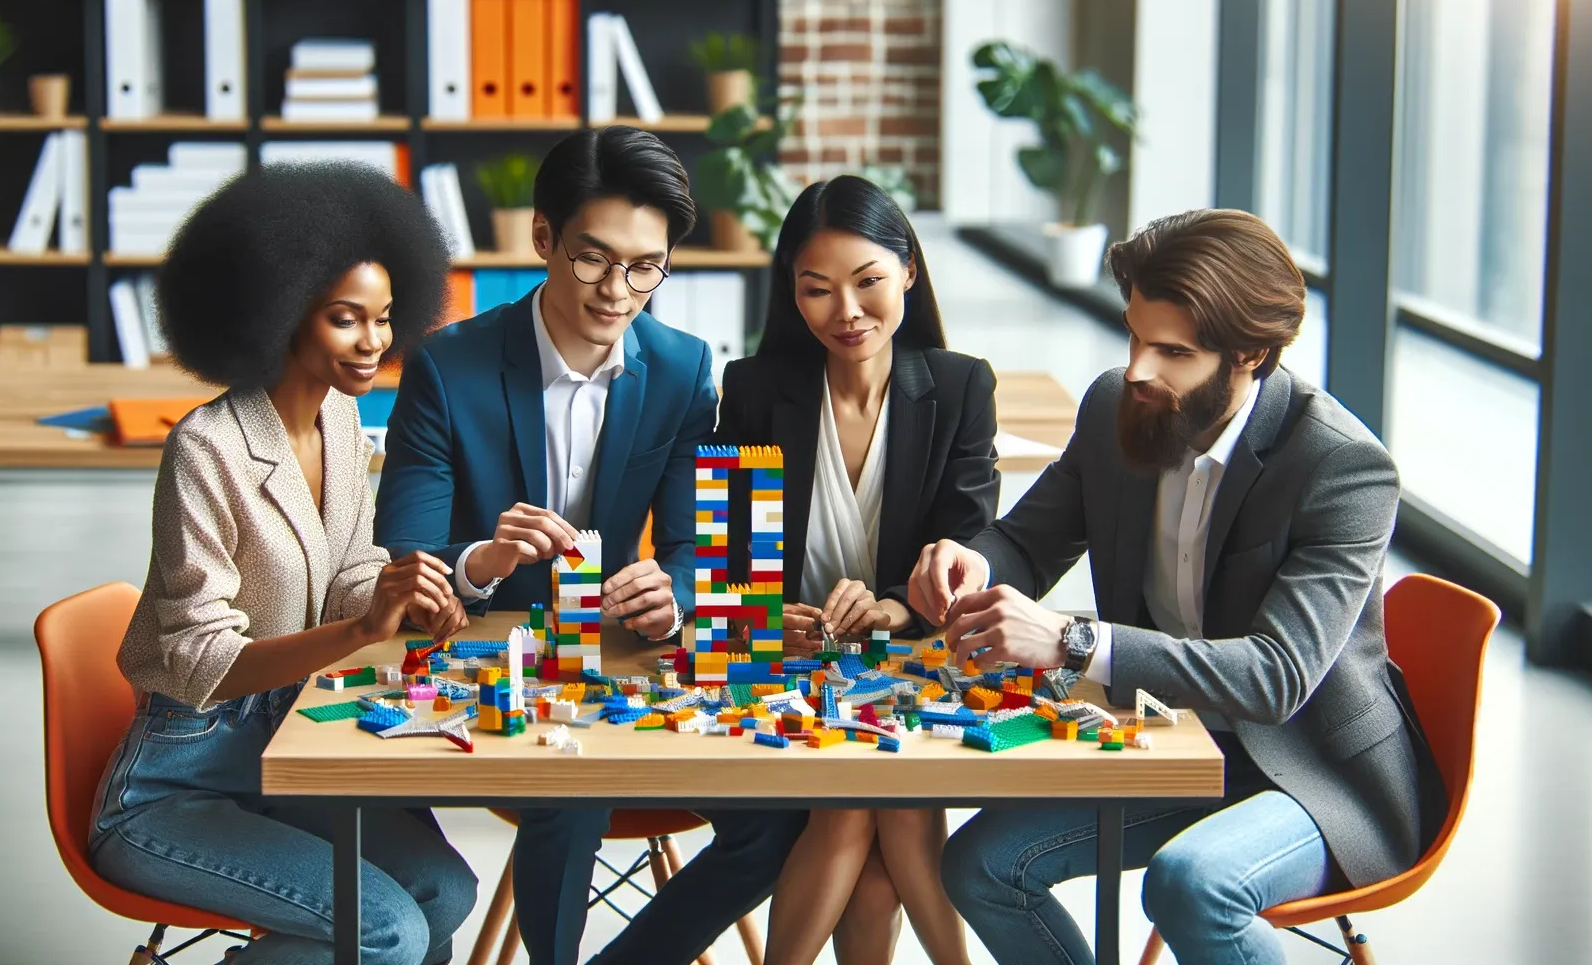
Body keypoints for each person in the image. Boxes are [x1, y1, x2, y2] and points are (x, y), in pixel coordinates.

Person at [912, 209, 1446, 965]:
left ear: (1250, 354)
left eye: (1172, 352)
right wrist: (974, 561)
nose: (1138, 369)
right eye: (1133, 336)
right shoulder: (1115, 407)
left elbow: (1276, 678)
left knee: (1193, 883)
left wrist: (1073, 641)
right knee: (979, 867)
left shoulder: (1342, 468)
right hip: (1172, 740)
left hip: (1310, 771)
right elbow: (1028, 541)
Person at [374, 125, 807, 965]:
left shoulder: (683, 369)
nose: (619, 290)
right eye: (593, 258)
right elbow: (410, 555)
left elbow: (697, 549)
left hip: (623, 659)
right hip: (491, 662)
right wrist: (484, 561)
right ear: (543, 237)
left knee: (778, 815)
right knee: (570, 798)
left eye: (646, 266)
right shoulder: (445, 364)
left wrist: (677, 589)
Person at [91, 164, 479, 965]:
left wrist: (399, 593)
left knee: (447, 892)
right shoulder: (206, 448)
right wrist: (360, 629)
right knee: (389, 934)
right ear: (277, 312)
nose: (374, 342)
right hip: (178, 781)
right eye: (346, 320)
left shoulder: (341, 419)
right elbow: (202, 660)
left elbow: (343, 568)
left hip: (286, 750)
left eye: (384, 318)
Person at [715, 175, 999, 965]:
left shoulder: (959, 386)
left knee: (877, 824)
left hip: (908, 664)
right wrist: (770, 617)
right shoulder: (753, 390)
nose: (846, 312)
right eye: (817, 290)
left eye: (869, 281)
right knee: (863, 806)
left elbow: (967, 546)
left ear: (908, 269)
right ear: (793, 297)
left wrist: (898, 611)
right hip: (787, 669)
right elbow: (731, 572)